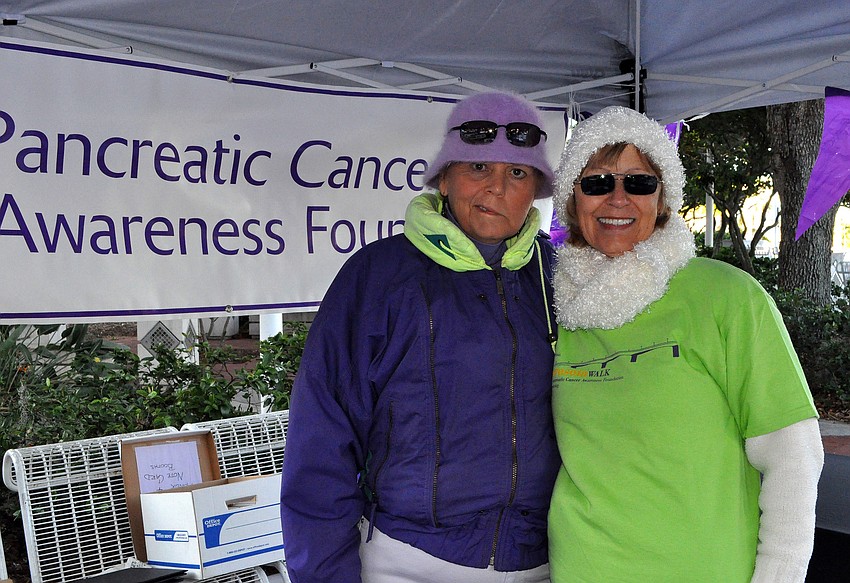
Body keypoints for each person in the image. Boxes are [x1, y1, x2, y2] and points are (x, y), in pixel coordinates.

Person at [280, 91, 561, 583]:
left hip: (547, 560)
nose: (496, 188)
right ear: (445, 177)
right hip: (410, 561)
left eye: (516, 173)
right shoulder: (378, 275)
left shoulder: (559, 277)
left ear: (536, 187)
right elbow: (322, 439)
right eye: (478, 168)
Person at [546, 106, 824, 583]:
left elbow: (793, 455)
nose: (617, 199)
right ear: (573, 199)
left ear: (664, 198)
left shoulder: (727, 295)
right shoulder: (557, 308)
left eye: (638, 183)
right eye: (596, 183)